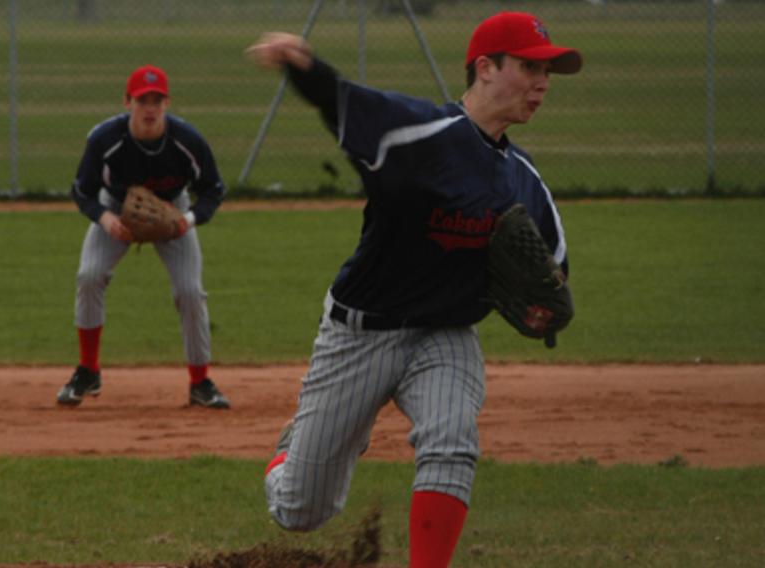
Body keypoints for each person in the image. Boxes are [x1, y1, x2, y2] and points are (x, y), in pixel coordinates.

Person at [248, 11, 580, 567]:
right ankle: (291, 454)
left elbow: (553, 276)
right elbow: (344, 104)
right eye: (530, 66)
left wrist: (546, 310)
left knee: (452, 439)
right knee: (299, 511)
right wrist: (303, 66)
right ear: (485, 68)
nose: (543, 82)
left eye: (548, 70)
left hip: (445, 335)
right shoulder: (423, 136)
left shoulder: (525, 181)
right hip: (361, 334)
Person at [57, 64, 230, 409]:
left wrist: (188, 220)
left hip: (173, 212)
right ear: (127, 102)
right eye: (142, 100)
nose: (149, 108)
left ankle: (201, 382)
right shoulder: (105, 141)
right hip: (115, 210)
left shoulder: (187, 141)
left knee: (190, 292)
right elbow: (82, 192)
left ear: (167, 103)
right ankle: (88, 370)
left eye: (157, 100)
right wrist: (106, 221)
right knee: (89, 276)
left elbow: (213, 190)